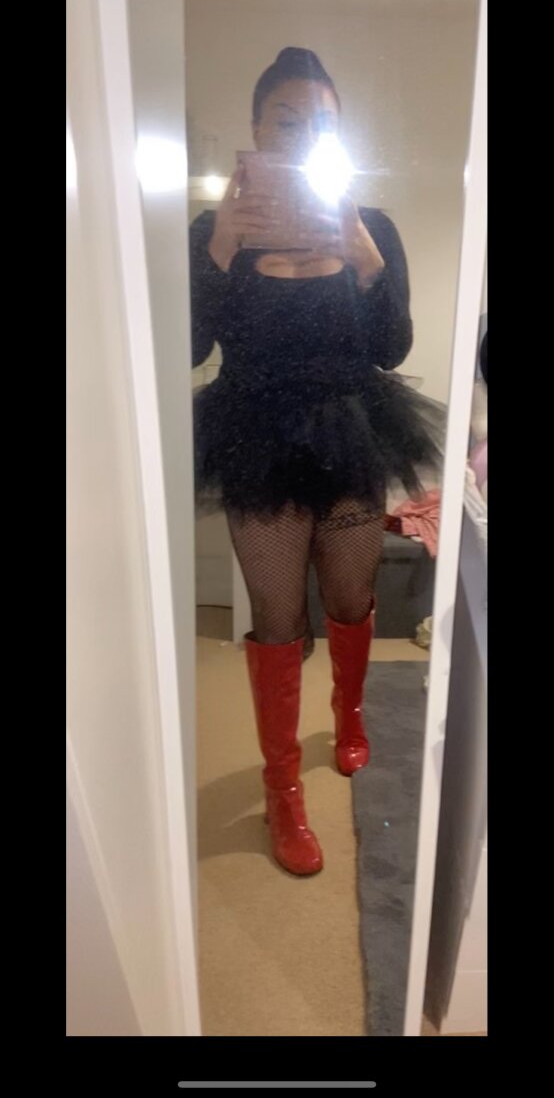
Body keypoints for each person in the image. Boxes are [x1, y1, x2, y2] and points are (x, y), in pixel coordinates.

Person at [190, 47, 441, 876]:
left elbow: (391, 346)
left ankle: (351, 712)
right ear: (257, 130)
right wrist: (221, 244)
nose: (302, 138)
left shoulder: (372, 226)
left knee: (350, 595)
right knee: (277, 618)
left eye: (321, 125)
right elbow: (186, 344)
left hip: (350, 429)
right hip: (255, 436)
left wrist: (364, 253)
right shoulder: (213, 231)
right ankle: (283, 789)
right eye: (286, 122)